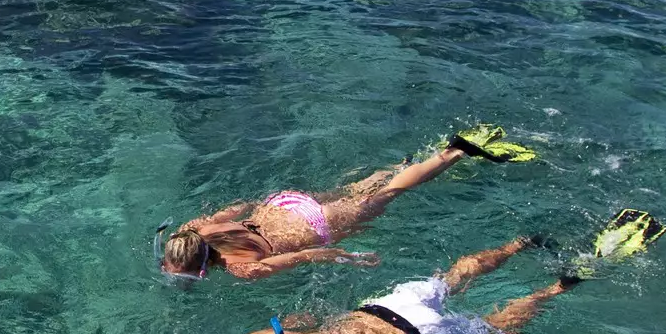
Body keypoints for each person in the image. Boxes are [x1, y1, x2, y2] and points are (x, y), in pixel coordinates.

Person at [213, 210, 666, 334]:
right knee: (452, 277)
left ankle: (559, 286)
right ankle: (522, 243)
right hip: (386, 306)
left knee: (496, 328)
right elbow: (301, 320)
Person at [156, 125, 537, 285]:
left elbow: (304, 256)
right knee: (357, 190)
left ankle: (455, 152)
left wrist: (347, 257)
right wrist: (261, 206)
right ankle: (401, 164)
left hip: (315, 225)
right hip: (285, 204)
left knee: (388, 195)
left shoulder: (242, 269)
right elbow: (238, 207)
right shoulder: (192, 229)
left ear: (202, 270)